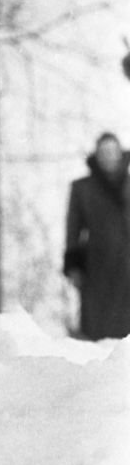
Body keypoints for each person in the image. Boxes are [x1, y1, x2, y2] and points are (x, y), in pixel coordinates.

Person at [63, 132, 130, 339]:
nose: (108, 157)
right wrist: (73, 265)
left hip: (128, 264)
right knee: (97, 330)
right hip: (97, 266)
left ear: (120, 154)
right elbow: (73, 229)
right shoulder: (82, 188)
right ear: (97, 155)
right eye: (104, 152)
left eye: (112, 151)